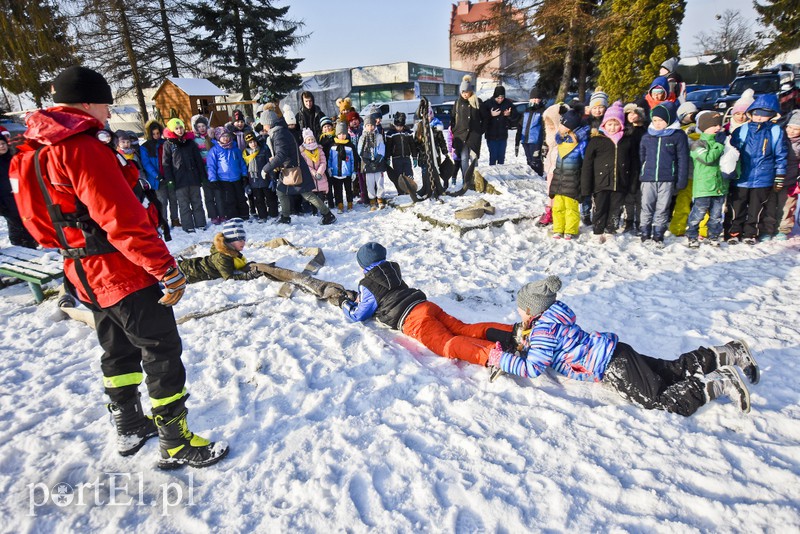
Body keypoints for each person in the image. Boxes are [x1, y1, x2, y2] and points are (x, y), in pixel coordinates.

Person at [9, 66, 227, 468]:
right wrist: (165, 268)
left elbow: (36, 226)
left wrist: (75, 244)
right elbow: (121, 218)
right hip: (122, 270)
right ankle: (176, 442)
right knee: (160, 349)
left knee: (117, 348)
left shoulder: (31, 153)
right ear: (88, 102)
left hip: (82, 272)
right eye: (106, 105)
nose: (109, 114)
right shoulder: (81, 147)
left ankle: (128, 425)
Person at [486, 276, 758, 416]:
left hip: (612, 367)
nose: (519, 314)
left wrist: (502, 360)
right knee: (669, 370)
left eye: (521, 310)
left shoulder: (544, 330)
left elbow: (533, 367)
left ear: (533, 310)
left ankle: (720, 383)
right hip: (617, 353)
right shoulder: (552, 317)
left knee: (658, 401)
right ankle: (730, 352)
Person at [339, 242, 513, 366]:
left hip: (413, 320)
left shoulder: (367, 284)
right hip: (425, 306)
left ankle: (493, 355)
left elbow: (359, 314)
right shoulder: (392, 271)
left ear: (363, 266)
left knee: (446, 344)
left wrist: (345, 304)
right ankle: (512, 333)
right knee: (463, 328)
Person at [259, 108, 336, 225]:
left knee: (307, 194)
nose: (263, 127)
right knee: (281, 191)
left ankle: (327, 214)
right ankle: (285, 216)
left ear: (269, 123)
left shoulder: (279, 134)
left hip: (294, 170)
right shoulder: (280, 131)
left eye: (264, 124)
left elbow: (281, 155)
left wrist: (266, 168)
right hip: (290, 168)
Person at [728, 94, 787, 245]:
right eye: (756, 114)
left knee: (756, 208)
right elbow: (730, 152)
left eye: (764, 115)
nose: (759, 118)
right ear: (751, 113)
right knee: (737, 206)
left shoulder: (775, 132)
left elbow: (780, 155)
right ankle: (734, 231)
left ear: (772, 115)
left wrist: (779, 175)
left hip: (763, 177)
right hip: (742, 176)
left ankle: (751, 233)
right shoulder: (741, 130)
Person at [580, 102, 636, 242]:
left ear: (621, 124)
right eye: (609, 124)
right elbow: (587, 165)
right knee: (600, 207)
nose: (612, 128)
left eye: (616, 124)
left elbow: (634, 164)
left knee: (615, 208)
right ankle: (598, 230)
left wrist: (633, 183)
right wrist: (586, 186)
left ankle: (611, 229)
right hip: (600, 182)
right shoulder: (597, 141)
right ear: (604, 124)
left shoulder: (627, 141)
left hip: (620, 182)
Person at [638, 101, 689, 245]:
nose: (658, 123)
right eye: (655, 120)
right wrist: (643, 171)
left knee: (662, 207)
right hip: (648, 178)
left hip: (667, 178)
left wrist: (681, 180)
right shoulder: (647, 136)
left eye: (661, 120)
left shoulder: (677, 136)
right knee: (646, 206)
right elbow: (642, 156)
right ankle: (645, 231)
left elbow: (683, 158)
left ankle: (658, 233)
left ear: (669, 120)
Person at [686, 111, 727, 248]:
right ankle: (692, 235)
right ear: (704, 127)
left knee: (716, 215)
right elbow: (707, 159)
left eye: (719, 125)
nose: (717, 127)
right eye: (713, 125)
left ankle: (713, 235)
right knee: (698, 214)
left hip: (719, 186)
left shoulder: (721, 142)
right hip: (703, 187)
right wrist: (720, 145)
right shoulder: (698, 144)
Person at [178, 218, 261, 283]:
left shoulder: (231, 251)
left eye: (244, 239)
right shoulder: (223, 256)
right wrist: (247, 276)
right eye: (240, 240)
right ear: (230, 241)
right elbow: (229, 277)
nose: (243, 242)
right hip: (187, 272)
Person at [162, 118, 207, 233]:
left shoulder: (190, 142)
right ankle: (188, 225)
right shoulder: (168, 144)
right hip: (179, 180)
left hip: (193, 178)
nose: (179, 130)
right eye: (176, 128)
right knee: (184, 204)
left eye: (181, 127)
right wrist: (170, 180)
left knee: (197, 201)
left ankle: (200, 223)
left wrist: (202, 176)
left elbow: (198, 160)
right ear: (172, 130)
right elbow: (166, 164)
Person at [549, 109, 587, 240]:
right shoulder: (561, 141)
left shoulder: (581, 143)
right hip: (559, 177)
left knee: (571, 207)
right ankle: (558, 228)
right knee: (558, 206)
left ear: (571, 128)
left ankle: (570, 229)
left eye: (563, 125)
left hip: (573, 179)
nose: (560, 127)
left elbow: (585, 161)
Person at [0, 136, 37, 248]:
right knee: (14, 223)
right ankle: (18, 245)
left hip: (19, 196)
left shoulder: (12, 158)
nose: (2, 146)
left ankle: (30, 242)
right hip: (5, 200)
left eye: (3, 143)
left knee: (25, 220)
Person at [141, 121, 179, 228]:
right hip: (157, 179)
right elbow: (146, 164)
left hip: (169, 176)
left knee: (173, 198)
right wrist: (157, 176)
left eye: (158, 133)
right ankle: (164, 222)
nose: (156, 136)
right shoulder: (145, 147)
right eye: (154, 134)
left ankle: (175, 219)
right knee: (162, 201)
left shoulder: (165, 143)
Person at [207, 127, 249, 221]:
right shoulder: (214, 151)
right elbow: (211, 166)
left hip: (237, 178)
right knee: (229, 199)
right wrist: (213, 179)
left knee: (241, 197)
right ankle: (233, 217)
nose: (225, 138)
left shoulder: (235, 149)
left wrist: (244, 175)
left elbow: (242, 163)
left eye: (227, 136)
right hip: (224, 179)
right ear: (218, 138)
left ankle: (244, 214)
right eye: (223, 136)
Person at [620, 104, 647, 233]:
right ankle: (628, 220)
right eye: (629, 113)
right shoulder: (624, 130)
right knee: (628, 197)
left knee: (640, 197)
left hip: (641, 166)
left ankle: (639, 222)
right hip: (628, 166)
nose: (631, 116)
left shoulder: (646, 131)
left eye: (634, 113)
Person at [191, 115, 224, 224]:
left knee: (219, 194)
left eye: (203, 126)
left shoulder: (212, 138)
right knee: (208, 195)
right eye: (199, 126)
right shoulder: (195, 140)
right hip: (204, 171)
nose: (202, 128)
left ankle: (222, 214)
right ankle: (213, 215)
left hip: (215, 170)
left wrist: (211, 137)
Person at [451, 75, 483, 183]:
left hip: (474, 136)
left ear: (471, 92)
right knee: (464, 159)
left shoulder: (477, 101)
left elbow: (485, 118)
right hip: (461, 135)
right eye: (463, 92)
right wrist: (455, 131)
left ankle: (476, 180)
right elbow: (452, 119)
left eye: (467, 92)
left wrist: (480, 131)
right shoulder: (457, 103)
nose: (465, 94)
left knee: (474, 159)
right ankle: (466, 180)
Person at [777, 110, 800, 240]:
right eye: (789, 127)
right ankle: (770, 226)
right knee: (773, 203)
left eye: (796, 129)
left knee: (788, 205)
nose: (791, 131)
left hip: (792, 179)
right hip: (776, 176)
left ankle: (784, 228)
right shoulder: (780, 137)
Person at [480, 85, 516, 165]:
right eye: (498, 98)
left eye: (502, 98)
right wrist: (491, 114)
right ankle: (492, 174)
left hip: (502, 134)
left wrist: (509, 114)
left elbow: (516, 117)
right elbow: (482, 117)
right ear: (494, 96)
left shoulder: (508, 103)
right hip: (491, 135)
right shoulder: (487, 103)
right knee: (493, 156)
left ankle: (501, 172)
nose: (500, 100)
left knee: (501, 157)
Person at [243, 131, 274, 221]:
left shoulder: (263, 150)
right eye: (250, 142)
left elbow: (269, 164)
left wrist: (272, 178)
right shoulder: (245, 154)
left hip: (265, 178)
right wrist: (246, 183)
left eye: (254, 141)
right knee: (258, 200)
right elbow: (245, 169)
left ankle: (273, 214)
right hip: (254, 181)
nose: (253, 144)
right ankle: (262, 215)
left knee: (270, 197)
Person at [328, 120, 358, 213]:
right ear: (337, 134)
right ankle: (340, 204)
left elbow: (354, 159)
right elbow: (329, 158)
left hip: (347, 173)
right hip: (336, 173)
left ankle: (350, 203)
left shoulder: (350, 146)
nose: (342, 136)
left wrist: (353, 171)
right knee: (338, 190)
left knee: (349, 189)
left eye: (344, 134)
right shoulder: (332, 146)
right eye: (340, 134)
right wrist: (329, 168)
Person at [358, 116, 387, 210]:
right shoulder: (362, 137)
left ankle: (380, 199)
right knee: (369, 183)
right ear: (365, 126)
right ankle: (372, 200)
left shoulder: (379, 136)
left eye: (372, 125)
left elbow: (382, 148)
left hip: (378, 162)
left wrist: (378, 159)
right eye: (368, 125)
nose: (370, 127)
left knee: (379, 182)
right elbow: (360, 150)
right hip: (367, 163)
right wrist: (367, 160)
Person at [515, 88, 546, 175]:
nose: (535, 100)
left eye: (537, 98)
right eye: (533, 98)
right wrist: (517, 142)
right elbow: (520, 127)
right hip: (525, 140)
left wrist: (544, 143)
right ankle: (532, 177)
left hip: (536, 141)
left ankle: (539, 176)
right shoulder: (526, 111)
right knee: (529, 161)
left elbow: (545, 129)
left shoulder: (542, 111)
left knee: (536, 161)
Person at [299, 128, 328, 214]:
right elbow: (305, 166)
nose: (311, 141)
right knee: (313, 195)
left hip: (320, 175)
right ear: (305, 141)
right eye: (309, 139)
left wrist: (319, 172)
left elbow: (323, 162)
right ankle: (314, 210)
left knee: (321, 194)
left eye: (312, 139)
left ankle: (323, 210)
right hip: (310, 176)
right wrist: (314, 173)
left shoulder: (319, 150)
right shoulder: (303, 152)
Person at [384, 112, 416, 183]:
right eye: (397, 126)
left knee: (409, 173)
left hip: (406, 157)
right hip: (396, 158)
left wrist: (414, 157)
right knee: (399, 175)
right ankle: (401, 190)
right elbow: (388, 147)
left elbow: (412, 145)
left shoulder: (408, 133)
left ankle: (410, 187)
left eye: (401, 126)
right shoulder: (391, 134)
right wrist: (388, 157)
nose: (399, 128)